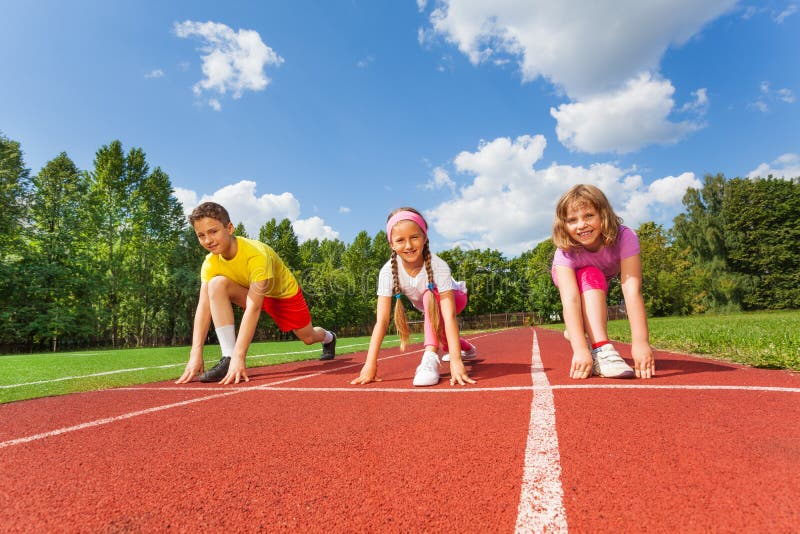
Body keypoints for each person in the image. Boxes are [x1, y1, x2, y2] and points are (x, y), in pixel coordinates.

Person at [176, 202, 336, 385]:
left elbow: (254, 308)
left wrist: (240, 355)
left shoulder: (256, 254)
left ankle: (329, 337)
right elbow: (203, 306)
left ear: (229, 228)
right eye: (201, 235)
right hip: (252, 293)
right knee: (215, 285)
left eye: (213, 232)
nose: (208, 240)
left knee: (308, 337)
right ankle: (227, 358)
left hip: (284, 296)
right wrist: (195, 353)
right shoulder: (210, 263)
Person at [351, 207, 476, 387]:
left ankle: (429, 358)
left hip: (456, 297)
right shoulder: (387, 272)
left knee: (428, 294)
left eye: (414, 237)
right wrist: (369, 365)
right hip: (430, 307)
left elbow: (449, 317)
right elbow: (382, 321)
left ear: (425, 238)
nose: (408, 246)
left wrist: (456, 361)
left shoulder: (438, 266)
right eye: (400, 240)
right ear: (391, 244)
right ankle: (469, 349)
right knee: (441, 335)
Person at [551, 184, 655, 380]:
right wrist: (580, 349)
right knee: (590, 274)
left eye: (589, 215)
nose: (581, 225)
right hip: (575, 278)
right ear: (563, 225)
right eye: (572, 220)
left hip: (601, 279)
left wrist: (641, 342)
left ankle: (580, 332)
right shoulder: (564, 253)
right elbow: (570, 301)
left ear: (603, 215)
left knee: (595, 279)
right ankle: (601, 350)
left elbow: (632, 291)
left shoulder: (625, 237)